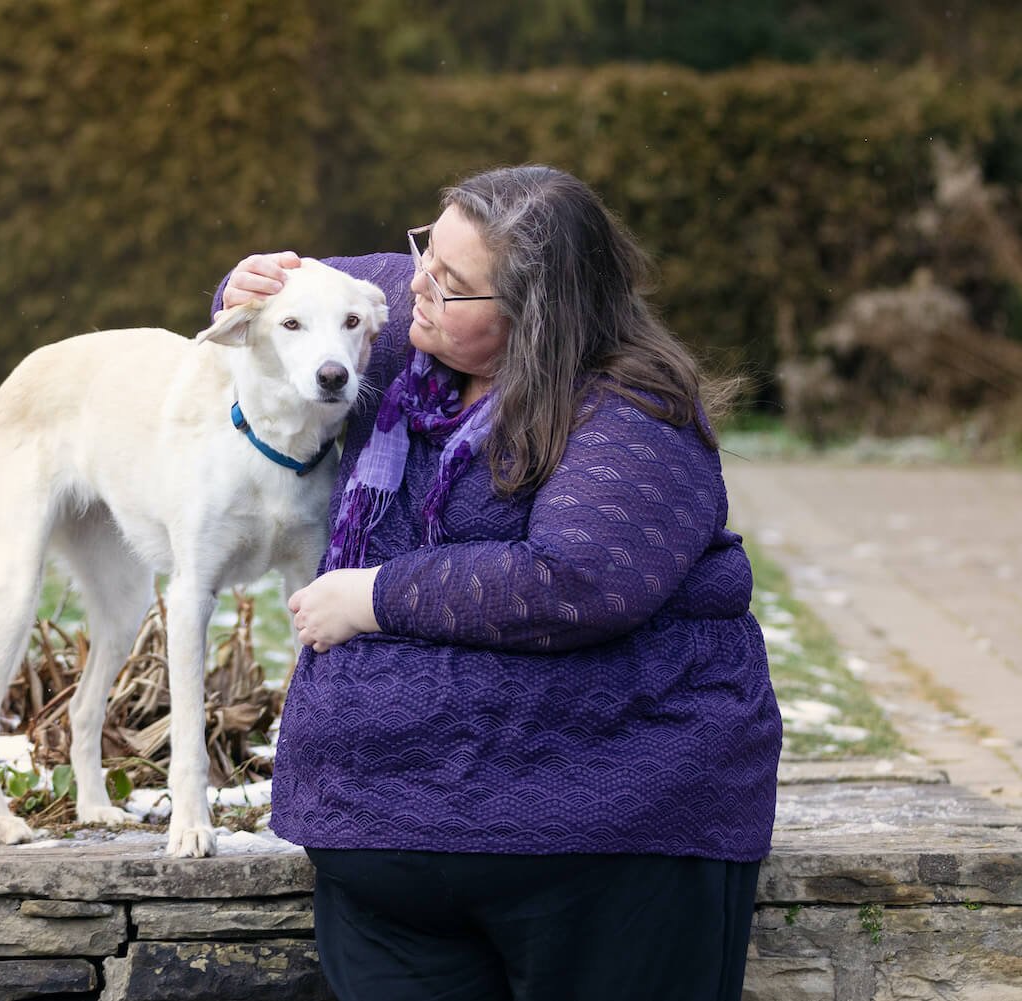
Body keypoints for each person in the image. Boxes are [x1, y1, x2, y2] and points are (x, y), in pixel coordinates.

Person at [214, 164, 781, 1001]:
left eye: (451, 282)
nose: (415, 285)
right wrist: (246, 282)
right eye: (425, 253)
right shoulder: (408, 326)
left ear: (537, 315)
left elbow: (574, 580)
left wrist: (374, 596)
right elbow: (290, 299)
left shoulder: (630, 412)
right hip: (385, 830)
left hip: (601, 833)